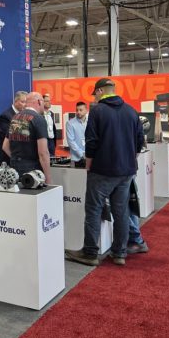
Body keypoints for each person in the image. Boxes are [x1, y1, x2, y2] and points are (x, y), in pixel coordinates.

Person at [65, 78, 144, 267]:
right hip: (126, 171)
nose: (94, 97)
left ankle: (90, 253)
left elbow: (91, 141)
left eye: (95, 94)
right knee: (121, 212)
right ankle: (119, 253)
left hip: (102, 170)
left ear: (100, 91)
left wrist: (88, 165)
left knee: (94, 210)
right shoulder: (131, 111)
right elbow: (140, 141)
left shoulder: (97, 111)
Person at [2, 92, 52, 183]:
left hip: (14, 170)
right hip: (33, 171)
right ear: (39, 102)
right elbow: (43, 153)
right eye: (43, 102)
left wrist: (18, 161)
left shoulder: (15, 118)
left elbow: (5, 146)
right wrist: (48, 178)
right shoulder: (39, 119)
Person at [0, 91, 27, 165]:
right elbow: (10, 138)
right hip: (7, 160)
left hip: (21, 158)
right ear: (15, 101)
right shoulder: (5, 116)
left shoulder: (25, 115)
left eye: (26, 102)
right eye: (23, 102)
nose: (25, 105)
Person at [65, 101, 88, 168]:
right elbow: (71, 141)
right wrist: (82, 154)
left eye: (81, 110)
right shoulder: (70, 123)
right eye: (77, 110)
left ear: (86, 110)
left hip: (90, 157)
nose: (78, 112)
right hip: (78, 158)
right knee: (79, 175)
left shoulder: (90, 122)